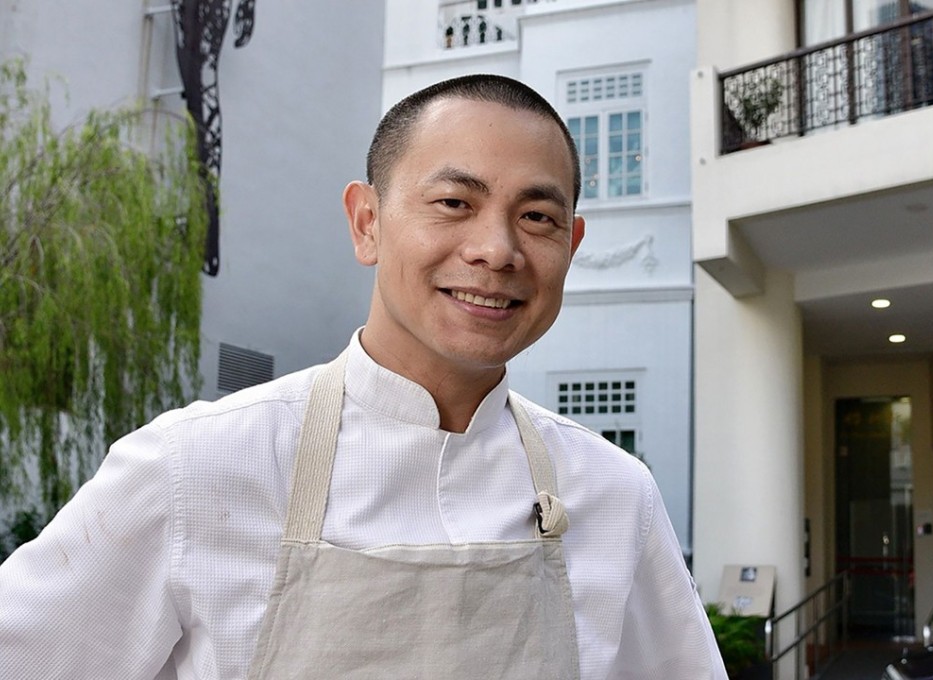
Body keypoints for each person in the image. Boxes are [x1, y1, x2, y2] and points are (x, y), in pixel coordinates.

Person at [0, 74, 726, 679]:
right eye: (454, 203)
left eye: (536, 217)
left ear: (571, 245)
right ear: (366, 222)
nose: (497, 249)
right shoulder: (197, 466)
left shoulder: (613, 494)